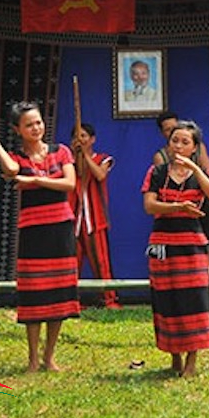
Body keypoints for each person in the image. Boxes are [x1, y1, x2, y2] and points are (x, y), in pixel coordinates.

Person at [0, 101, 79, 372]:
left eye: (38, 122)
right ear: (17, 129)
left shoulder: (61, 151)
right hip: (33, 231)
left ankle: (49, 357)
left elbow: (70, 184)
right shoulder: (17, 156)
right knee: (34, 293)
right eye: (28, 124)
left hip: (61, 229)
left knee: (59, 292)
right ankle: (32, 359)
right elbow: (11, 171)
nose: (36, 128)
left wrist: (36, 182)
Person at [141, 121, 209, 377]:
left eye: (186, 142)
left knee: (194, 300)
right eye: (175, 140)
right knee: (167, 300)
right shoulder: (157, 171)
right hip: (163, 244)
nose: (179, 145)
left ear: (195, 147)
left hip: (192, 245)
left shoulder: (201, 174)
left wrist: (195, 168)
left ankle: (191, 362)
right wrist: (178, 207)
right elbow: (150, 206)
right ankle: (174, 355)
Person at [70, 122, 120, 309]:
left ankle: (109, 299)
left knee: (101, 261)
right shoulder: (68, 161)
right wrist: (76, 156)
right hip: (73, 217)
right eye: (76, 136)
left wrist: (85, 155)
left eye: (84, 136)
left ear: (92, 139)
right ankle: (71, 300)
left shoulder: (103, 159)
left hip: (95, 218)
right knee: (72, 260)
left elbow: (100, 175)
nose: (80, 139)